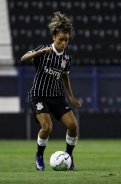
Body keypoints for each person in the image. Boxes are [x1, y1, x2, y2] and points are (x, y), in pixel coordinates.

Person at [20, 12, 81, 171]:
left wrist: (71, 97)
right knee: (47, 127)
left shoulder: (66, 58)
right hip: (39, 95)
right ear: (54, 37)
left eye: (66, 40)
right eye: (61, 39)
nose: (63, 43)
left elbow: (65, 77)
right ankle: (39, 155)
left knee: (73, 125)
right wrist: (39, 52)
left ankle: (68, 156)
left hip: (57, 96)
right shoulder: (44, 50)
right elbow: (23, 58)